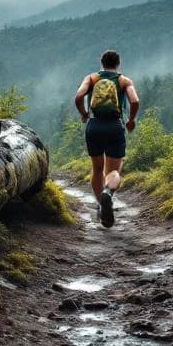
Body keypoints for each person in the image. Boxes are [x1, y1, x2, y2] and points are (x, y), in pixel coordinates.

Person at [73, 49, 140, 227]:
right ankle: (108, 193)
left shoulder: (92, 78)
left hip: (94, 125)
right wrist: (131, 120)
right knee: (114, 172)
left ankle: (101, 206)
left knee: (97, 169)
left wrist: (84, 113)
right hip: (114, 126)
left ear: (101, 63)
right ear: (118, 64)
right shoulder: (123, 80)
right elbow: (134, 101)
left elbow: (79, 96)